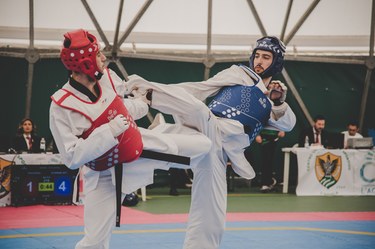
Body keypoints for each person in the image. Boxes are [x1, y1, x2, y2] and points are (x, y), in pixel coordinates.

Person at [126, 36, 296, 249]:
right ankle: (144, 93)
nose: (259, 61)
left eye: (266, 57)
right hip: (210, 124)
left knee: (212, 214)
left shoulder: (271, 103)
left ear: (277, 62)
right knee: (197, 107)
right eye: (257, 56)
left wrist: (278, 102)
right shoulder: (239, 73)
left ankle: (162, 131)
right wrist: (157, 91)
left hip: (220, 151)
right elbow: (202, 88)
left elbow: (288, 125)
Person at [49, 29, 211, 249]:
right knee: (94, 242)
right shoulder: (62, 106)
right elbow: (72, 157)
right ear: (85, 62)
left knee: (204, 145)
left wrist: (143, 105)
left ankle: (163, 131)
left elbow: (122, 109)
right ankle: (162, 132)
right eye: (98, 54)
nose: (104, 58)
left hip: (141, 149)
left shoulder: (107, 78)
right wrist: (108, 131)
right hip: (102, 175)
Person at [255, 80, 287, 192]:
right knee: (265, 160)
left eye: (275, 87)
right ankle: (264, 183)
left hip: (275, 137)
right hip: (263, 137)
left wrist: (282, 129)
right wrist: (257, 135)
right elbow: (257, 118)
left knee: (271, 160)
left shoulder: (279, 102)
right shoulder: (262, 101)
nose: (273, 88)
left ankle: (269, 182)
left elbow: (282, 116)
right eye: (271, 86)